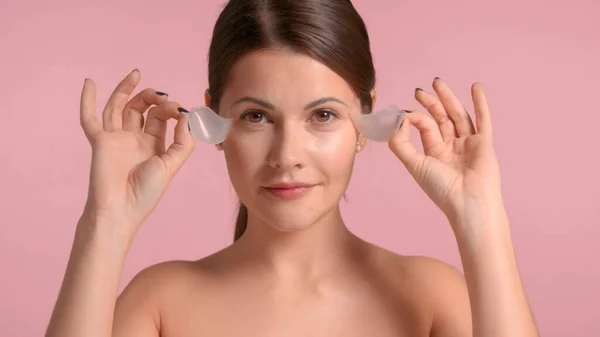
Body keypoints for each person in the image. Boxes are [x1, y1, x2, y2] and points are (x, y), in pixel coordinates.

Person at [45, 0, 539, 336]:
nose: (288, 155)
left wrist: (482, 220)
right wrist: (106, 222)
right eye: (256, 116)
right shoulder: (160, 303)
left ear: (365, 117)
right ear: (212, 120)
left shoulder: (431, 296)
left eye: (322, 115)